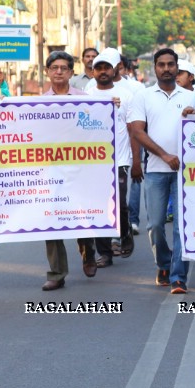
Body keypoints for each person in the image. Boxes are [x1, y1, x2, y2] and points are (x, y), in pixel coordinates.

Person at [128, 48, 195, 295]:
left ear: (177, 67)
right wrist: (163, 155)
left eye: (171, 64)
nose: (166, 68)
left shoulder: (192, 97)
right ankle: (164, 264)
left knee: (181, 226)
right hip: (157, 170)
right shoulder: (144, 96)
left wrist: (194, 117)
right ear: (155, 68)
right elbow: (137, 131)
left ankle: (178, 277)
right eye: (161, 64)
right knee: (156, 225)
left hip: (185, 173)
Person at [41, 50, 98, 290]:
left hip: (79, 168)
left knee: (81, 215)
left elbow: (96, 127)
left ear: (71, 72)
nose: (59, 72)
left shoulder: (84, 98)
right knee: (50, 219)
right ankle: (56, 273)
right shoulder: (39, 102)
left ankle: (88, 252)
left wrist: (109, 106)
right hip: (51, 170)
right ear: (47, 72)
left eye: (64, 68)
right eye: (54, 68)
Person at [88, 48, 136, 267]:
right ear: (93, 71)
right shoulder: (88, 92)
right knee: (100, 206)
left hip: (121, 159)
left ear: (114, 69)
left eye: (107, 67)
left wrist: (136, 160)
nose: (103, 71)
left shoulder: (125, 94)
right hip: (95, 160)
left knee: (121, 206)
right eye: (99, 68)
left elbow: (134, 128)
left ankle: (125, 233)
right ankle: (105, 252)